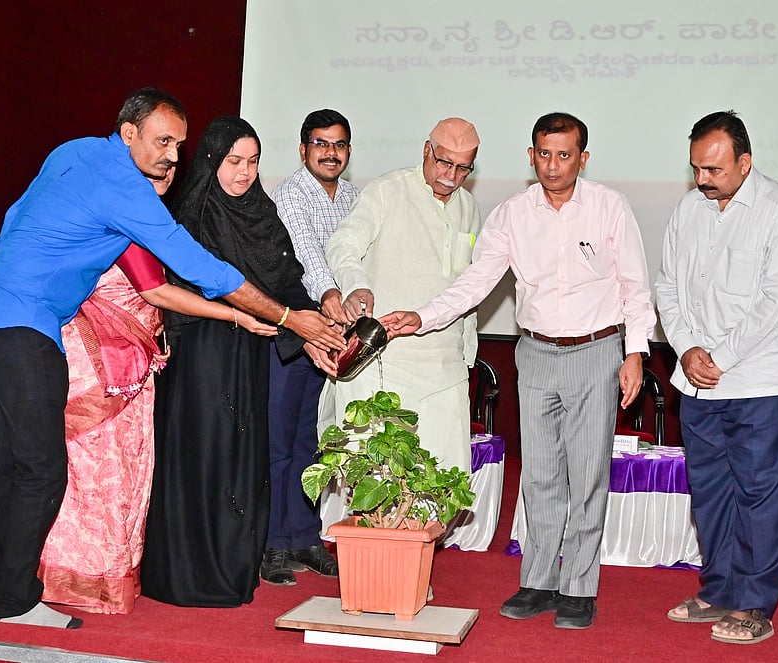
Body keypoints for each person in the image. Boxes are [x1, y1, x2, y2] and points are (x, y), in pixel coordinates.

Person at [0, 90, 343, 629]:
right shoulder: (126, 190)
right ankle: (16, 598)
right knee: (42, 470)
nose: (171, 154)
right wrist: (288, 317)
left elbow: (14, 216)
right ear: (128, 133)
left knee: (1, 462)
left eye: (179, 145)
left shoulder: (72, 151)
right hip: (28, 325)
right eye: (162, 141)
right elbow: (200, 267)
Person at [382, 112, 654, 630]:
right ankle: (537, 580)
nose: (553, 166)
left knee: (588, 472)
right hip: (534, 354)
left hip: (597, 352)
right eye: (544, 154)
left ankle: (579, 586)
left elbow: (635, 287)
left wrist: (635, 352)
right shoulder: (511, 214)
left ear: (583, 158)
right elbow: (476, 281)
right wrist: (423, 316)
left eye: (565, 155)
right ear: (531, 157)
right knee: (542, 473)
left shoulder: (609, 207)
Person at [37, 172, 277, 613]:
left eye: (171, 164)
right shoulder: (128, 225)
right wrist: (236, 315)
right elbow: (157, 291)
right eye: (154, 165)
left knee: (123, 471)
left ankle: (104, 577)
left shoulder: (145, 221)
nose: (167, 172)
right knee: (99, 472)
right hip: (103, 360)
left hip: (131, 359)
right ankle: (83, 578)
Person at [141, 116, 335, 607]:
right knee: (204, 455)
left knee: (242, 459)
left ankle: (232, 565)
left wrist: (310, 330)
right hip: (202, 355)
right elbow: (209, 284)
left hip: (250, 352)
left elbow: (284, 278)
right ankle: (189, 572)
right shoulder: (192, 213)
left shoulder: (260, 213)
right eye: (233, 162)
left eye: (252, 162)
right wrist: (294, 322)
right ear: (211, 160)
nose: (244, 173)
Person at [655, 111, 778, 645]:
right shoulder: (688, 208)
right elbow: (669, 286)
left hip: (761, 383)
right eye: (697, 168)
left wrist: (719, 354)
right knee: (711, 492)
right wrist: (686, 347)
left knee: (761, 495)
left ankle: (754, 603)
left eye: (715, 169)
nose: (703, 179)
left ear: (745, 163)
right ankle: (718, 588)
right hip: (698, 380)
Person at [323, 117, 482, 476]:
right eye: (444, 163)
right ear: (427, 151)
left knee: (443, 476)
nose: (451, 176)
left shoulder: (469, 207)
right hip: (387, 362)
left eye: (462, 168)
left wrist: (466, 351)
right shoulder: (387, 190)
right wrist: (355, 284)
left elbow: (468, 283)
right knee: (379, 478)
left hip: (445, 365)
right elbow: (342, 244)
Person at [260, 109, 359, 586]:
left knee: (312, 442)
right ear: (303, 150)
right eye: (320, 144)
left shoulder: (356, 198)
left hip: (333, 335)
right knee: (278, 443)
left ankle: (304, 536)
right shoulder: (289, 196)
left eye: (339, 145)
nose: (330, 153)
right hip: (293, 333)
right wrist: (334, 300)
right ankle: (272, 545)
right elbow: (309, 259)